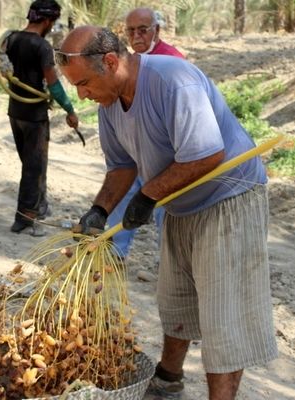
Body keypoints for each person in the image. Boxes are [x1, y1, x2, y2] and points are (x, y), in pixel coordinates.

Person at [56, 26, 277, 400]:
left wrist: (148, 195)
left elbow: (207, 154)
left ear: (111, 62)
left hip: (228, 199)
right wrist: (99, 211)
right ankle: (168, 379)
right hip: (181, 203)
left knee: (222, 316)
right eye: (75, 86)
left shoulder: (174, 81)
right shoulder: (109, 103)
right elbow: (122, 166)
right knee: (176, 299)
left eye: (84, 83)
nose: (81, 94)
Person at [107, 7, 186, 258]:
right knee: (123, 199)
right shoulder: (129, 62)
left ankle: (172, 264)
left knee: (166, 210)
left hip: (165, 156)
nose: (137, 36)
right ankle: (114, 253)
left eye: (143, 30)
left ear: (157, 30)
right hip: (135, 151)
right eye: (131, 31)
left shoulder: (172, 61)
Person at [5, 0, 79, 236]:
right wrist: (69, 109)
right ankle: (25, 219)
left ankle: (40, 207)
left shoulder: (12, 39)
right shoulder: (42, 46)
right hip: (34, 115)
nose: (52, 26)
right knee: (33, 168)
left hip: (15, 111)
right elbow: (54, 84)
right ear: (47, 21)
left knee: (31, 164)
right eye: (53, 22)